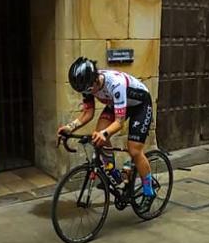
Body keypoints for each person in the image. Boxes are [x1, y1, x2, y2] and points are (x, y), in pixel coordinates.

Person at [57, 57, 156, 213]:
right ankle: (114, 175)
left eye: (89, 89)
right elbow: (88, 113)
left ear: (96, 79)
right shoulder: (87, 85)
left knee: (134, 150)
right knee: (99, 138)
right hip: (115, 105)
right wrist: (70, 128)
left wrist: (105, 133)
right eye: (84, 91)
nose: (88, 92)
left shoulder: (115, 84)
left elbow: (119, 122)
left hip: (139, 105)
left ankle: (149, 192)